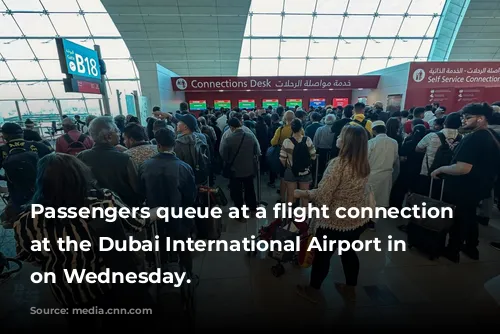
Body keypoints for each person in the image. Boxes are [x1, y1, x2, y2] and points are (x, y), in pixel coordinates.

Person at [13, 153, 157, 332]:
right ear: (80, 175)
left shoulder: (26, 222)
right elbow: (136, 224)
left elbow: (30, 257)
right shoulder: (102, 202)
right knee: (117, 322)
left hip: (67, 291)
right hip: (108, 285)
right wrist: (156, 212)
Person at [294, 125, 372, 303]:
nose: (337, 138)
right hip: (357, 219)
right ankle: (350, 288)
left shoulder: (338, 164)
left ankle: (313, 291)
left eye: (341, 136)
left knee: (322, 256)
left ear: (346, 142)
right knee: (348, 253)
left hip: (334, 222)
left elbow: (323, 196)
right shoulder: (363, 162)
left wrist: (304, 194)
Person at [431, 103, 500, 262]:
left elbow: (463, 168)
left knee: (458, 220)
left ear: (481, 119)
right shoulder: (492, 135)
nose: (463, 121)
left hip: (464, 187)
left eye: (468, 118)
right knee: (469, 216)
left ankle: (452, 250)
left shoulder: (474, 138)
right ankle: (471, 247)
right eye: (463, 117)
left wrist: (441, 169)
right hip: (481, 185)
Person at [139, 128, 197, 272]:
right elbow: (191, 197)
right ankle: (187, 276)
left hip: (155, 219)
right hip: (179, 216)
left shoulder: (145, 166)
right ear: (174, 144)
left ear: (157, 145)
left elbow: (140, 193)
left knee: (160, 249)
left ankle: (163, 277)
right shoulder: (184, 167)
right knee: (183, 249)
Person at [77, 116, 142, 207]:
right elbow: (137, 189)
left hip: (95, 211)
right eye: (117, 131)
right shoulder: (125, 159)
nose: (119, 133)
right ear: (108, 137)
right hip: (124, 210)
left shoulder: (81, 157)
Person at [0, 123, 53, 223]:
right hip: (43, 191)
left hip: (17, 195)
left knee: (12, 220)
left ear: (5, 135)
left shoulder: (2, 150)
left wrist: (4, 180)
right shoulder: (39, 146)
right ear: (22, 133)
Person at [220, 118, 260, 221]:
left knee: (236, 193)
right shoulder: (251, 136)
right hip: (249, 169)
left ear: (231, 127)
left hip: (235, 171)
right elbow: (256, 152)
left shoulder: (228, 139)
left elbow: (224, 156)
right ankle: (253, 210)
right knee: (250, 189)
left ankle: (240, 215)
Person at [367, 120, 399, 229]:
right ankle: (373, 222)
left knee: (369, 199)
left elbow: (365, 160)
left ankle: (365, 220)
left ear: (374, 131)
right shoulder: (394, 142)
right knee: (380, 200)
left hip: (372, 175)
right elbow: (395, 159)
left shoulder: (371, 143)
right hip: (387, 175)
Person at [280, 119, 316, 207]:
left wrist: (288, 166)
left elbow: (282, 158)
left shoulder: (287, 141)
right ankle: (304, 217)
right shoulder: (307, 140)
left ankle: (289, 217)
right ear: (301, 128)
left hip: (290, 171)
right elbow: (313, 156)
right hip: (305, 171)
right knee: (305, 196)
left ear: (291, 129)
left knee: (290, 195)